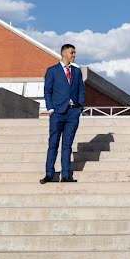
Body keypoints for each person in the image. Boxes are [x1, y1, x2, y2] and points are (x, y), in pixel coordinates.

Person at [40, 43, 85, 184]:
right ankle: (49, 174)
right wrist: (51, 108)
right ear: (64, 53)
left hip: (73, 113)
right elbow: (48, 91)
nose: (74, 55)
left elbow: (81, 91)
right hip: (57, 113)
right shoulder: (52, 71)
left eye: (74, 53)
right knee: (53, 144)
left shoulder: (77, 72)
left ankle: (66, 176)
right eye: (72, 52)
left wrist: (80, 108)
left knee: (67, 145)